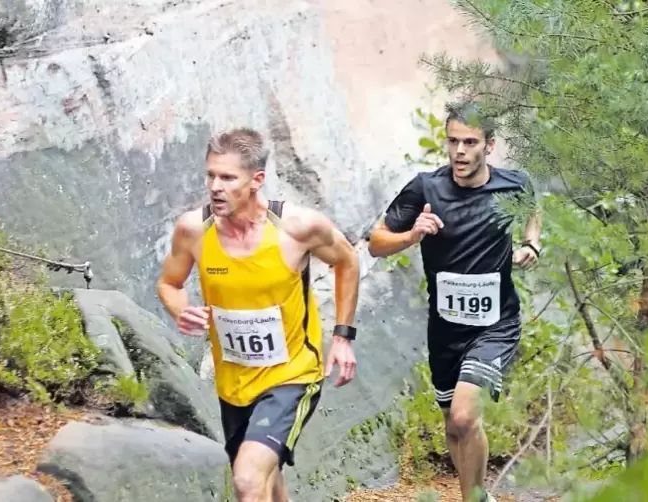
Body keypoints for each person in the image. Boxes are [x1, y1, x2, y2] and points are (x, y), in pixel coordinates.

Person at [156, 127, 360, 502]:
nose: (215, 186)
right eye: (210, 175)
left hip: (292, 374)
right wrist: (180, 311)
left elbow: (348, 261)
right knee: (266, 480)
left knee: (248, 480)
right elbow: (170, 283)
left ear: (256, 181)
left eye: (228, 177)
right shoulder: (194, 231)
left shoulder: (297, 229)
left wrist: (343, 337)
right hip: (234, 383)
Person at [368, 100, 541, 502]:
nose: (459, 152)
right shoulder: (425, 188)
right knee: (453, 425)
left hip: (495, 324)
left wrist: (532, 242)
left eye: (469, 142)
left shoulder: (513, 184)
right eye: (452, 142)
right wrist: (411, 235)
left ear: (490, 145)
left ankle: (475, 498)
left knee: (465, 415)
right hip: (445, 328)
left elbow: (533, 206)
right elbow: (376, 242)